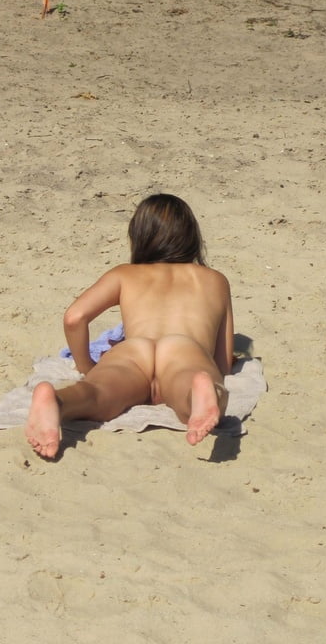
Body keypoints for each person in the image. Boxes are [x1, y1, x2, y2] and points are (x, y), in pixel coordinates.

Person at [25, 193, 234, 458]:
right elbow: (223, 362)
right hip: (184, 348)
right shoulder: (215, 280)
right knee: (189, 389)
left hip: (134, 350)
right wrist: (213, 372)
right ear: (192, 236)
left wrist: (87, 367)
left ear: (139, 237)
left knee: (97, 395)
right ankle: (199, 393)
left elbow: (74, 317)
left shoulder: (125, 274)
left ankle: (58, 401)